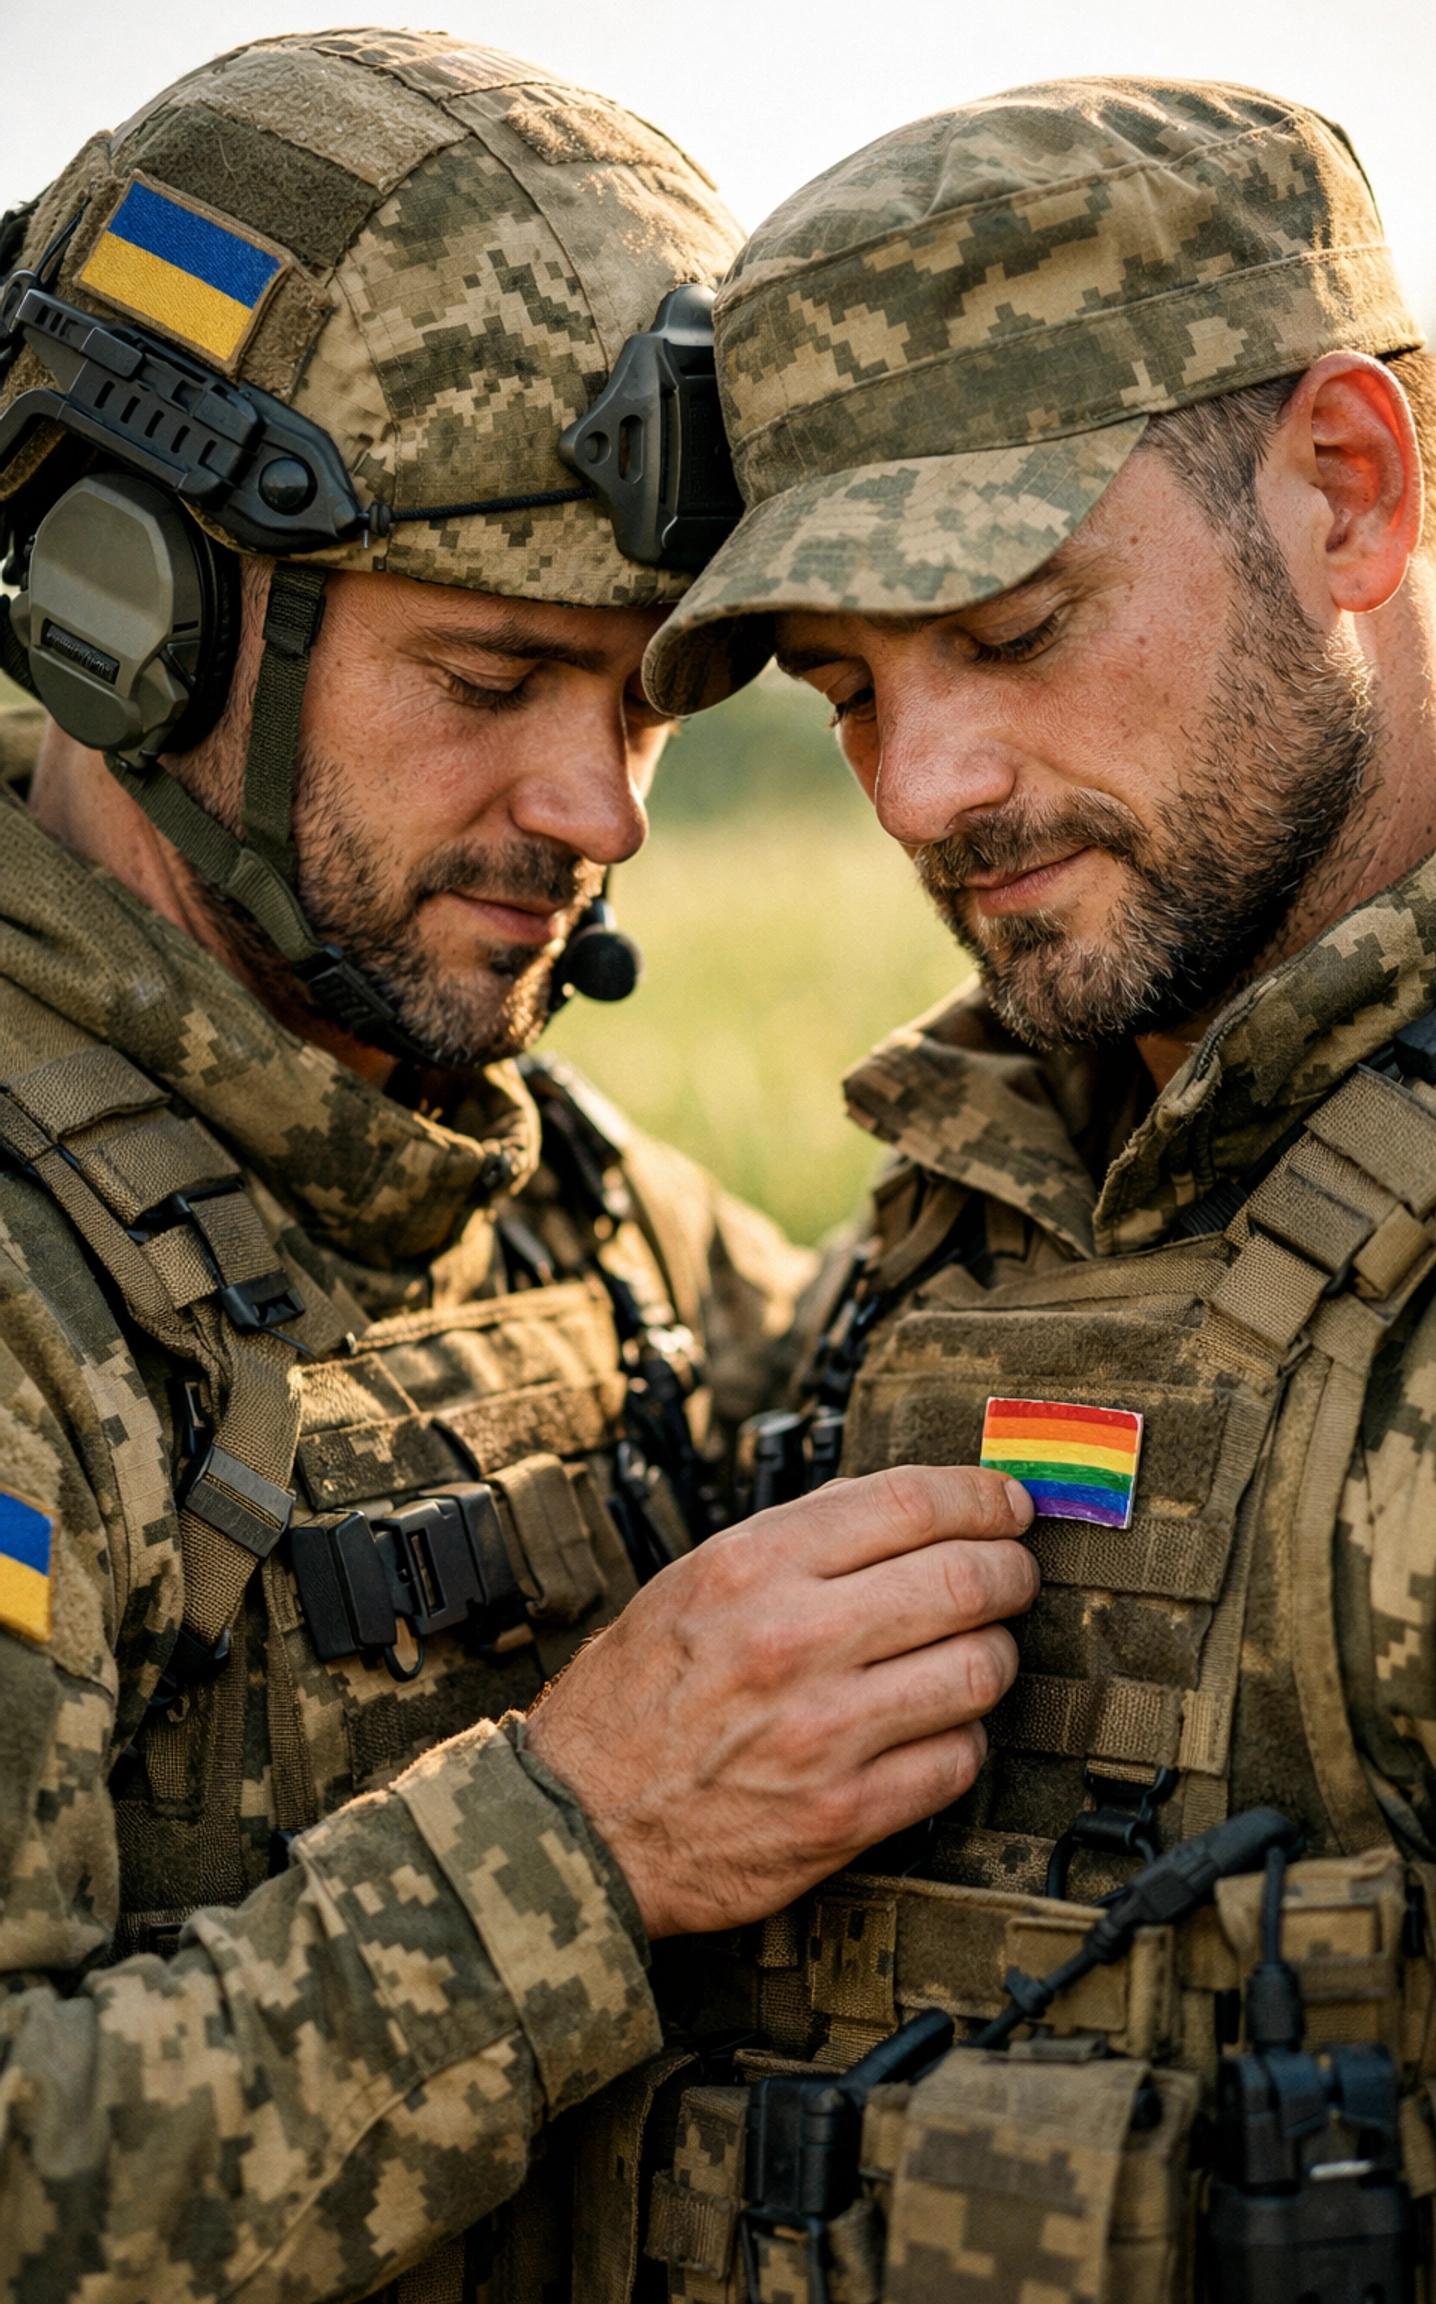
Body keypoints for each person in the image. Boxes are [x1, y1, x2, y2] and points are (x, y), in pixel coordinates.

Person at [0, 32, 1040, 2304]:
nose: (605, 811)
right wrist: (580, 1845)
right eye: (490, 682)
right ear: (129, 612)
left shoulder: (509, 1167)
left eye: (647, 708)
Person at [641, 77, 1436, 2301]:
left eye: (1018, 627)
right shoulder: (1012, 1156)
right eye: (847, 690)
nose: (924, 787)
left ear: (1349, 485)